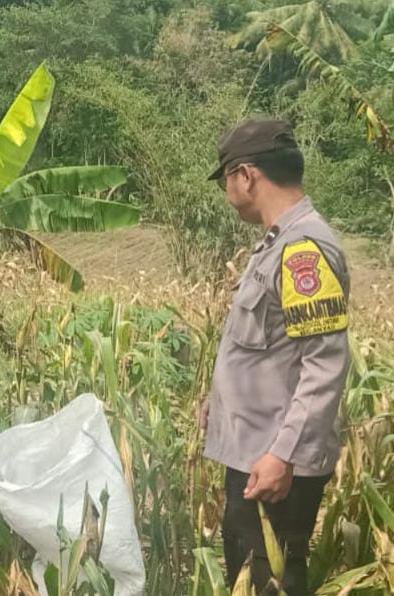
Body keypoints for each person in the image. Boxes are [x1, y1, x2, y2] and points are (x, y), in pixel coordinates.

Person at [202, 119, 350, 594]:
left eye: (226, 180)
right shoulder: (279, 242)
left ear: (246, 176)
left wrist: (283, 454)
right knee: (250, 577)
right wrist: (220, 400)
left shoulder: (303, 250)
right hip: (258, 454)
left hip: (274, 465)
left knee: (272, 582)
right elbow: (270, 348)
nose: (228, 193)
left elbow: (324, 365)